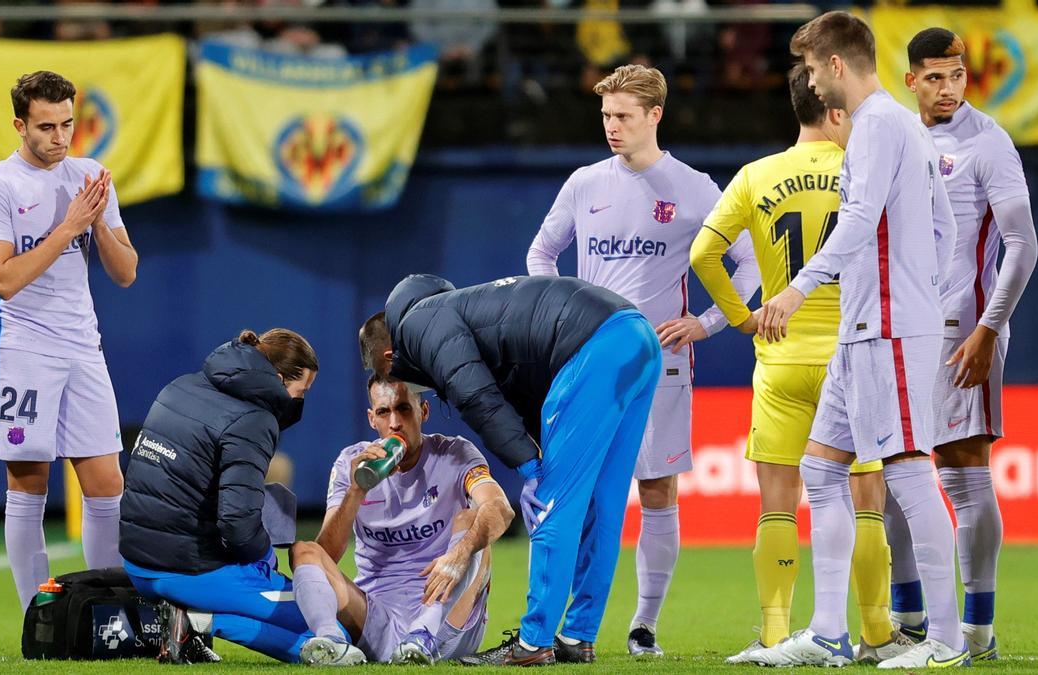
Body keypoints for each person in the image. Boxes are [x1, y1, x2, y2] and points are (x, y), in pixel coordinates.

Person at [749, 11, 964, 668]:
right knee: (819, 469)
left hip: (889, 328)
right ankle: (826, 632)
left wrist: (796, 288)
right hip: (864, 328)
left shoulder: (874, 126)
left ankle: (947, 641)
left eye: (813, 70)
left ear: (837, 65)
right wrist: (924, 286)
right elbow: (947, 228)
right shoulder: (901, 125)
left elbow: (861, 219)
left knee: (906, 472)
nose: (812, 84)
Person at [526, 62, 760, 658]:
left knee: (656, 491)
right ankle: (569, 626)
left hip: (660, 365)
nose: (612, 126)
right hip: (587, 366)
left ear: (656, 115)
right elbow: (541, 255)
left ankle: (643, 626)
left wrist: (706, 323)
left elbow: (753, 262)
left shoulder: (695, 188)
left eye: (624, 116)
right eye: (606, 115)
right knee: (576, 495)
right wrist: (561, 322)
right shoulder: (584, 183)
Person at [693, 64, 913, 665]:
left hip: (783, 357)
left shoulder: (756, 175)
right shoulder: (865, 171)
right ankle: (873, 634)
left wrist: (742, 318)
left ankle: (774, 636)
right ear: (837, 106)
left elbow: (703, 253)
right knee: (867, 495)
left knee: (778, 502)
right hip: (854, 351)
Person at [361, 273, 661, 666]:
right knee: (602, 505)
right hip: (637, 337)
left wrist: (531, 467)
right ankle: (578, 635)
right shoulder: (463, 310)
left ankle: (534, 645)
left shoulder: (420, 326)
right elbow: (526, 389)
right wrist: (538, 451)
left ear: (389, 359)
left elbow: (476, 396)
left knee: (551, 504)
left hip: (594, 346)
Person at [884, 27, 1038, 662]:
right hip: (899, 330)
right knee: (897, 473)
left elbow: (1022, 244)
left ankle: (977, 628)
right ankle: (908, 619)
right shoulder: (894, 137)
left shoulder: (988, 142)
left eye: (957, 75)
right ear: (911, 79)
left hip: (959, 332)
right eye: (936, 77)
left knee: (964, 475)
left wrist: (989, 327)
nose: (948, 88)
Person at [0, 70, 138, 611]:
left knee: (108, 483)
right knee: (29, 480)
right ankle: (34, 615)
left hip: (83, 346)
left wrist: (97, 223)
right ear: (20, 125)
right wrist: (67, 228)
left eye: (68, 123)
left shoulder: (89, 178)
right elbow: (5, 279)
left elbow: (127, 271)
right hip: (21, 347)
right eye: (46, 126)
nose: (60, 137)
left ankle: (108, 613)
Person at [119, 329, 324, 665]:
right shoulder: (254, 419)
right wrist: (265, 557)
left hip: (138, 564)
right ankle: (199, 620)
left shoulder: (181, 385)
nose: (300, 401)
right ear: (277, 378)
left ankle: (190, 618)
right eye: (301, 391)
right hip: (190, 570)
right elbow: (237, 525)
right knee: (329, 622)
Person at [287, 375, 513, 664]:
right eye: (384, 412)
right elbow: (326, 556)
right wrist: (357, 490)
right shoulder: (351, 462)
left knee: (474, 521)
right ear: (372, 419)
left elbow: (500, 508)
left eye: (404, 409)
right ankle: (332, 644)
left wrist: (459, 553)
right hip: (375, 621)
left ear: (424, 412)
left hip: (445, 622)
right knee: (303, 551)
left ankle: (423, 633)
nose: (394, 422)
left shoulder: (454, 454)